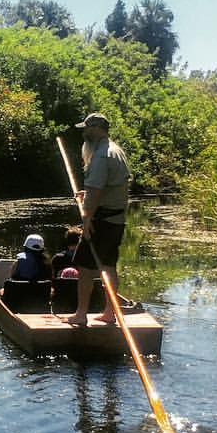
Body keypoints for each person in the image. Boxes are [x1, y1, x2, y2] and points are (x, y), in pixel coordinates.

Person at [65, 112, 130, 326]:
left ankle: (81, 314)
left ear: (95, 129)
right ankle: (110, 313)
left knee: (84, 267)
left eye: (86, 129)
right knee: (109, 266)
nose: (84, 133)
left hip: (101, 220)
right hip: (116, 220)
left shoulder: (102, 155)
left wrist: (86, 219)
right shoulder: (116, 151)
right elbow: (108, 187)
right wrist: (89, 194)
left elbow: (95, 191)